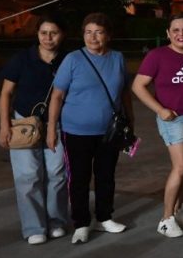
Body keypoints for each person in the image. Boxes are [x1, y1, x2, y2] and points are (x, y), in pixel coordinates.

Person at [46, 13, 132, 244]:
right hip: (76, 132)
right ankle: (81, 222)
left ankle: (105, 217)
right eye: (88, 32)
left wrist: (130, 123)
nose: (93, 37)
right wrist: (51, 129)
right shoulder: (73, 59)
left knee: (106, 176)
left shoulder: (118, 58)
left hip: (109, 131)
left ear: (108, 35)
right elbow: (57, 96)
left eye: (99, 32)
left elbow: (124, 93)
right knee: (79, 178)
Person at [0, 16, 68, 244]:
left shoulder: (68, 60)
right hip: (24, 123)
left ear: (62, 35)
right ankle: (34, 227)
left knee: (57, 174)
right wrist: (4, 125)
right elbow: (6, 93)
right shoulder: (22, 59)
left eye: (54, 32)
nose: (48, 38)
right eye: (43, 33)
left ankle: (56, 221)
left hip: (57, 123)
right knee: (28, 176)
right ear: (37, 35)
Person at [132, 13, 183, 238]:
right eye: (176, 30)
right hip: (173, 119)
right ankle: (166, 218)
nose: (181, 34)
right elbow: (138, 86)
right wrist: (160, 110)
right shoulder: (157, 56)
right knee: (181, 165)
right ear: (168, 34)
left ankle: (178, 210)